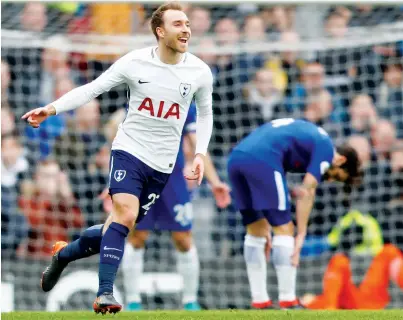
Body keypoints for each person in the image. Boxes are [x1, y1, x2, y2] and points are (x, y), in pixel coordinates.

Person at [22, 2, 214, 314]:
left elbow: (205, 115)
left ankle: (64, 255)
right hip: (129, 151)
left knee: (116, 226)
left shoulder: (199, 72)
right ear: (159, 31)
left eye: (187, 23)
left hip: (163, 165)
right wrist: (52, 108)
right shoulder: (135, 62)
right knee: (124, 217)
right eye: (178, 24)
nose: (186, 29)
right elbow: (91, 90)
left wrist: (200, 154)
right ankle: (105, 293)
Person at [227, 118, 362, 309]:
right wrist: (300, 234)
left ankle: (260, 301)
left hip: (236, 159)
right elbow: (307, 190)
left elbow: (307, 190)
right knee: (284, 229)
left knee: (256, 231)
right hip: (263, 158)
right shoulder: (325, 147)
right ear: (341, 160)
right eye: (337, 176)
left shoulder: (312, 138)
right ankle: (288, 300)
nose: (330, 180)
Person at [119, 104, 231, 311]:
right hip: (142, 178)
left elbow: (198, 147)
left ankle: (190, 302)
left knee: (183, 238)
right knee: (137, 237)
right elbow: (123, 140)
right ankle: (133, 301)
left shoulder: (184, 104)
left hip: (173, 180)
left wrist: (214, 182)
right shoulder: (139, 97)